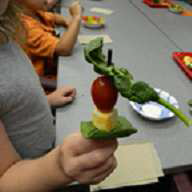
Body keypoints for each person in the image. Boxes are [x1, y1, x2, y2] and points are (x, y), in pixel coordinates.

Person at [0, 0, 117, 191]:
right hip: (36, 176)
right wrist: (60, 166)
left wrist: (46, 101)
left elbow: (8, 100)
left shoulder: (5, 30)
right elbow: (5, 180)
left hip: (49, 144)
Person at [18, 0, 82, 77]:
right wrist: (76, 17)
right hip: (44, 78)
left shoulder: (33, 13)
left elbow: (55, 17)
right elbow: (64, 49)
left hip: (54, 66)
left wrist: (68, 22)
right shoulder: (26, 27)